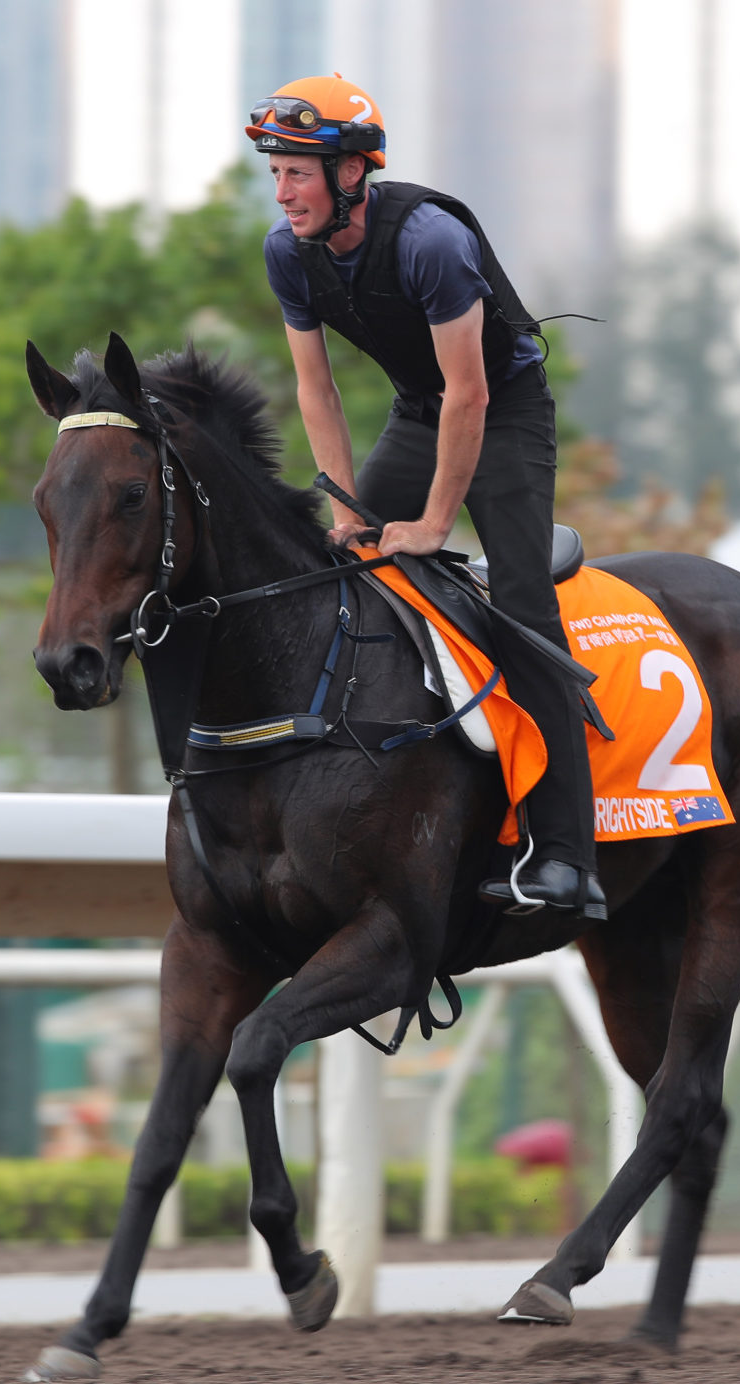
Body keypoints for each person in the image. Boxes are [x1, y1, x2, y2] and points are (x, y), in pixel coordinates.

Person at [248, 75, 603, 920]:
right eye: (275, 173)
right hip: (419, 414)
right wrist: (345, 511)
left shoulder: (431, 242)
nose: (282, 191)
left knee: (520, 607)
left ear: (350, 173)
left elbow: (472, 397)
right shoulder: (285, 252)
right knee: (342, 571)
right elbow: (317, 394)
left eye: (297, 171)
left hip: (502, 415)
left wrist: (434, 524)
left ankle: (564, 854)